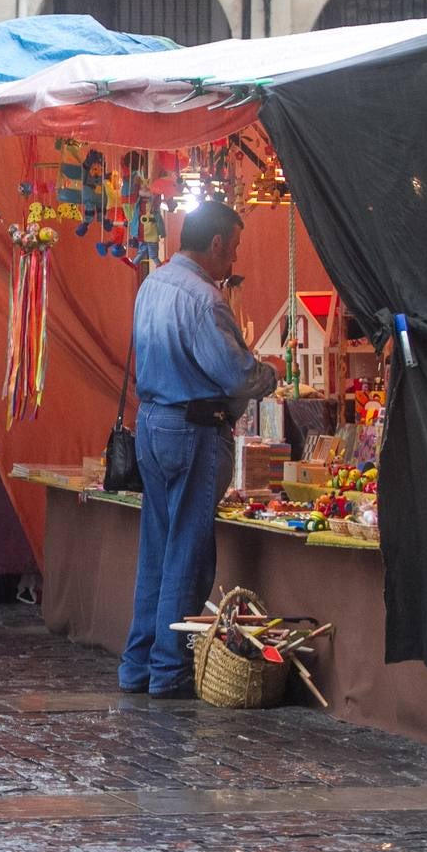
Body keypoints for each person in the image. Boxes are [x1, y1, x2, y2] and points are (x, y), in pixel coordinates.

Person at [117, 201, 279, 699]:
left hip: (152, 425)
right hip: (192, 429)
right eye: (232, 251)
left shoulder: (152, 284)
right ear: (215, 245)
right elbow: (234, 373)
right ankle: (168, 671)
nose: (233, 262)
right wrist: (269, 373)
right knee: (187, 553)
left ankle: (137, 666)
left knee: (158, 551)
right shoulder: (204, 298)